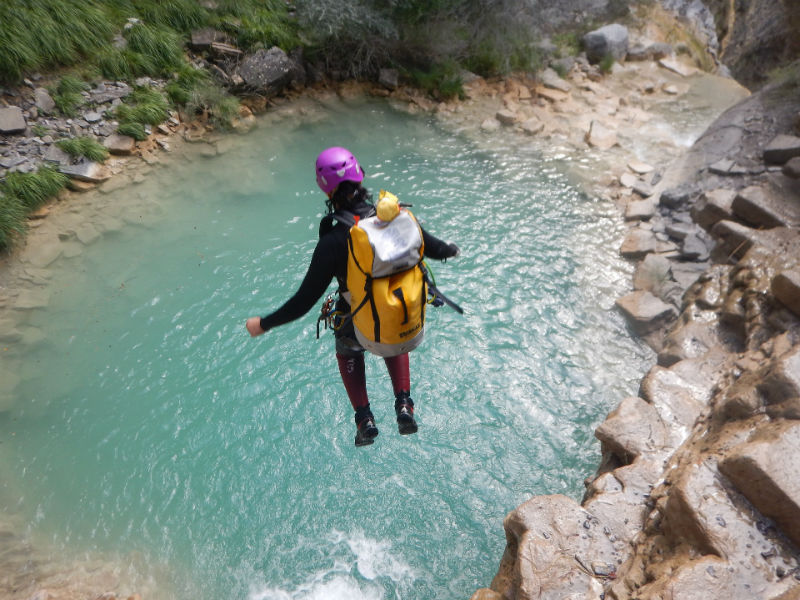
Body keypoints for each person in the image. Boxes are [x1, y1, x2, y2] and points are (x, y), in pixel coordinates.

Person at [246, 146, 460, 447]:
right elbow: (437, 249)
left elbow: (303, 302)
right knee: (391, 315)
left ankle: (364, 419)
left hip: (359, 329)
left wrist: (264, 323)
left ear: (325, 189)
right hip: (407, 328)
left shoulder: (333, 241)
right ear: (360, 176)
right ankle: (403, 404)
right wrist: (452, 249)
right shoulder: (398, 219)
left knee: (347, 346)